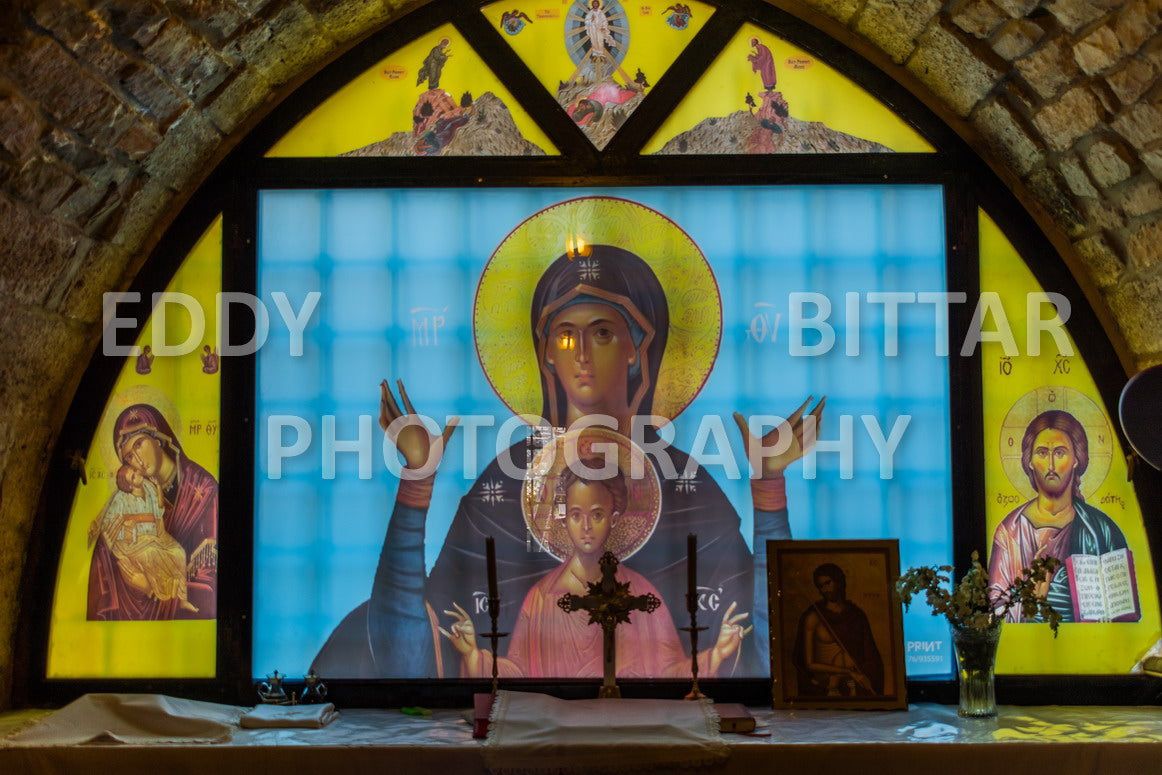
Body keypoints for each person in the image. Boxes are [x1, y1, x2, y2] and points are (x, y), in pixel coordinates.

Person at [311, 243, 821, 677]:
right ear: (546, 351)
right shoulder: (508, 480)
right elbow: (409, 658)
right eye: (565, 334)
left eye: (602, 332)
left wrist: (768, 487)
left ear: (636, 348)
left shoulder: (685, 484)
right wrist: (416, 482)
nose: (581, 353)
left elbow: (774, 655)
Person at [438, 460, 748, 678]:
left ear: (614, 517)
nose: (585, 527)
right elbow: (519, 673)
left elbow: (669, 673)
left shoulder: (641, 595)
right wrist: (474, 656)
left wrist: (716, 654)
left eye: (597, 514)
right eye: (576, 514)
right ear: (564, 518)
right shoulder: (543, 598)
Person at [988, 409, 1138, 622]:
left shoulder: (1102, 530)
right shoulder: (1010, 532)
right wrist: (1029, 602)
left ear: (1076, 458)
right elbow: (994, 613)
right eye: (1041, 453)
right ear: (1029, 460)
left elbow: (1123, 614)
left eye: (1059, 453)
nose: (1050, 465)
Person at [88, 403, 218, 620]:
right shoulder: (132, 495)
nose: (136, 460)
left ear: (158, 439)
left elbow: (210, 581)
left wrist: (151, 587)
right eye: (128, 457)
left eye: (139, 444)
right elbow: (110, 554)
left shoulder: (202, 489)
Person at [88, 464, 198, 613]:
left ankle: (182, 600)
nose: (137, 473)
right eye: (133, 476)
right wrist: (125, 528)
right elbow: (108, 524)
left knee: (179, 552)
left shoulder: (149, 488)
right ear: (129, 485)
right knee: (152, 554)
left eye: (134, 470)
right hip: (131, 542)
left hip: (153, 537)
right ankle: (162, 598)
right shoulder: (120, 498)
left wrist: (158, 489)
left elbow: (158, 514)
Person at [791, 563, 884, 697]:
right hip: (829, 683)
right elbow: (809, 664)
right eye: (820, 586)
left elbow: (870, 655)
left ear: (839, 581)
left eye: (828, 583)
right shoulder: (814, 616)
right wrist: (848, 672)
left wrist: (865, 673)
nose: (825, 590)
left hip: (856, 682)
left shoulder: (856, 615)